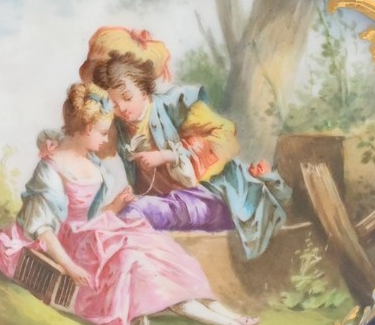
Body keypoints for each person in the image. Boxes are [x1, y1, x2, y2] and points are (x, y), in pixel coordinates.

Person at [0, 83, 259, 325]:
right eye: (102, 132)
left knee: (162, 251)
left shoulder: (92, 164)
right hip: (70, 246)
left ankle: (229, 315)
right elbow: (44, 229)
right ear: (85, 129)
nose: (106, 139)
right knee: (136, 261)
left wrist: (116, 205)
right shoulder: (51, 167)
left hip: (92, 235)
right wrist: (70, 267)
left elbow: (92, 217)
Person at [82, 28, 289, 260]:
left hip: (211, 197)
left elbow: (225, 136)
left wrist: (168, 156)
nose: (122, 108)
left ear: (144, 89)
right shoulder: (118, 126)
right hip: (168, 204)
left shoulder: (178, 104)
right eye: (114, 103)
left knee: (138, 212)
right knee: (128, 212)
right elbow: (92, 145)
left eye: (127, 98)